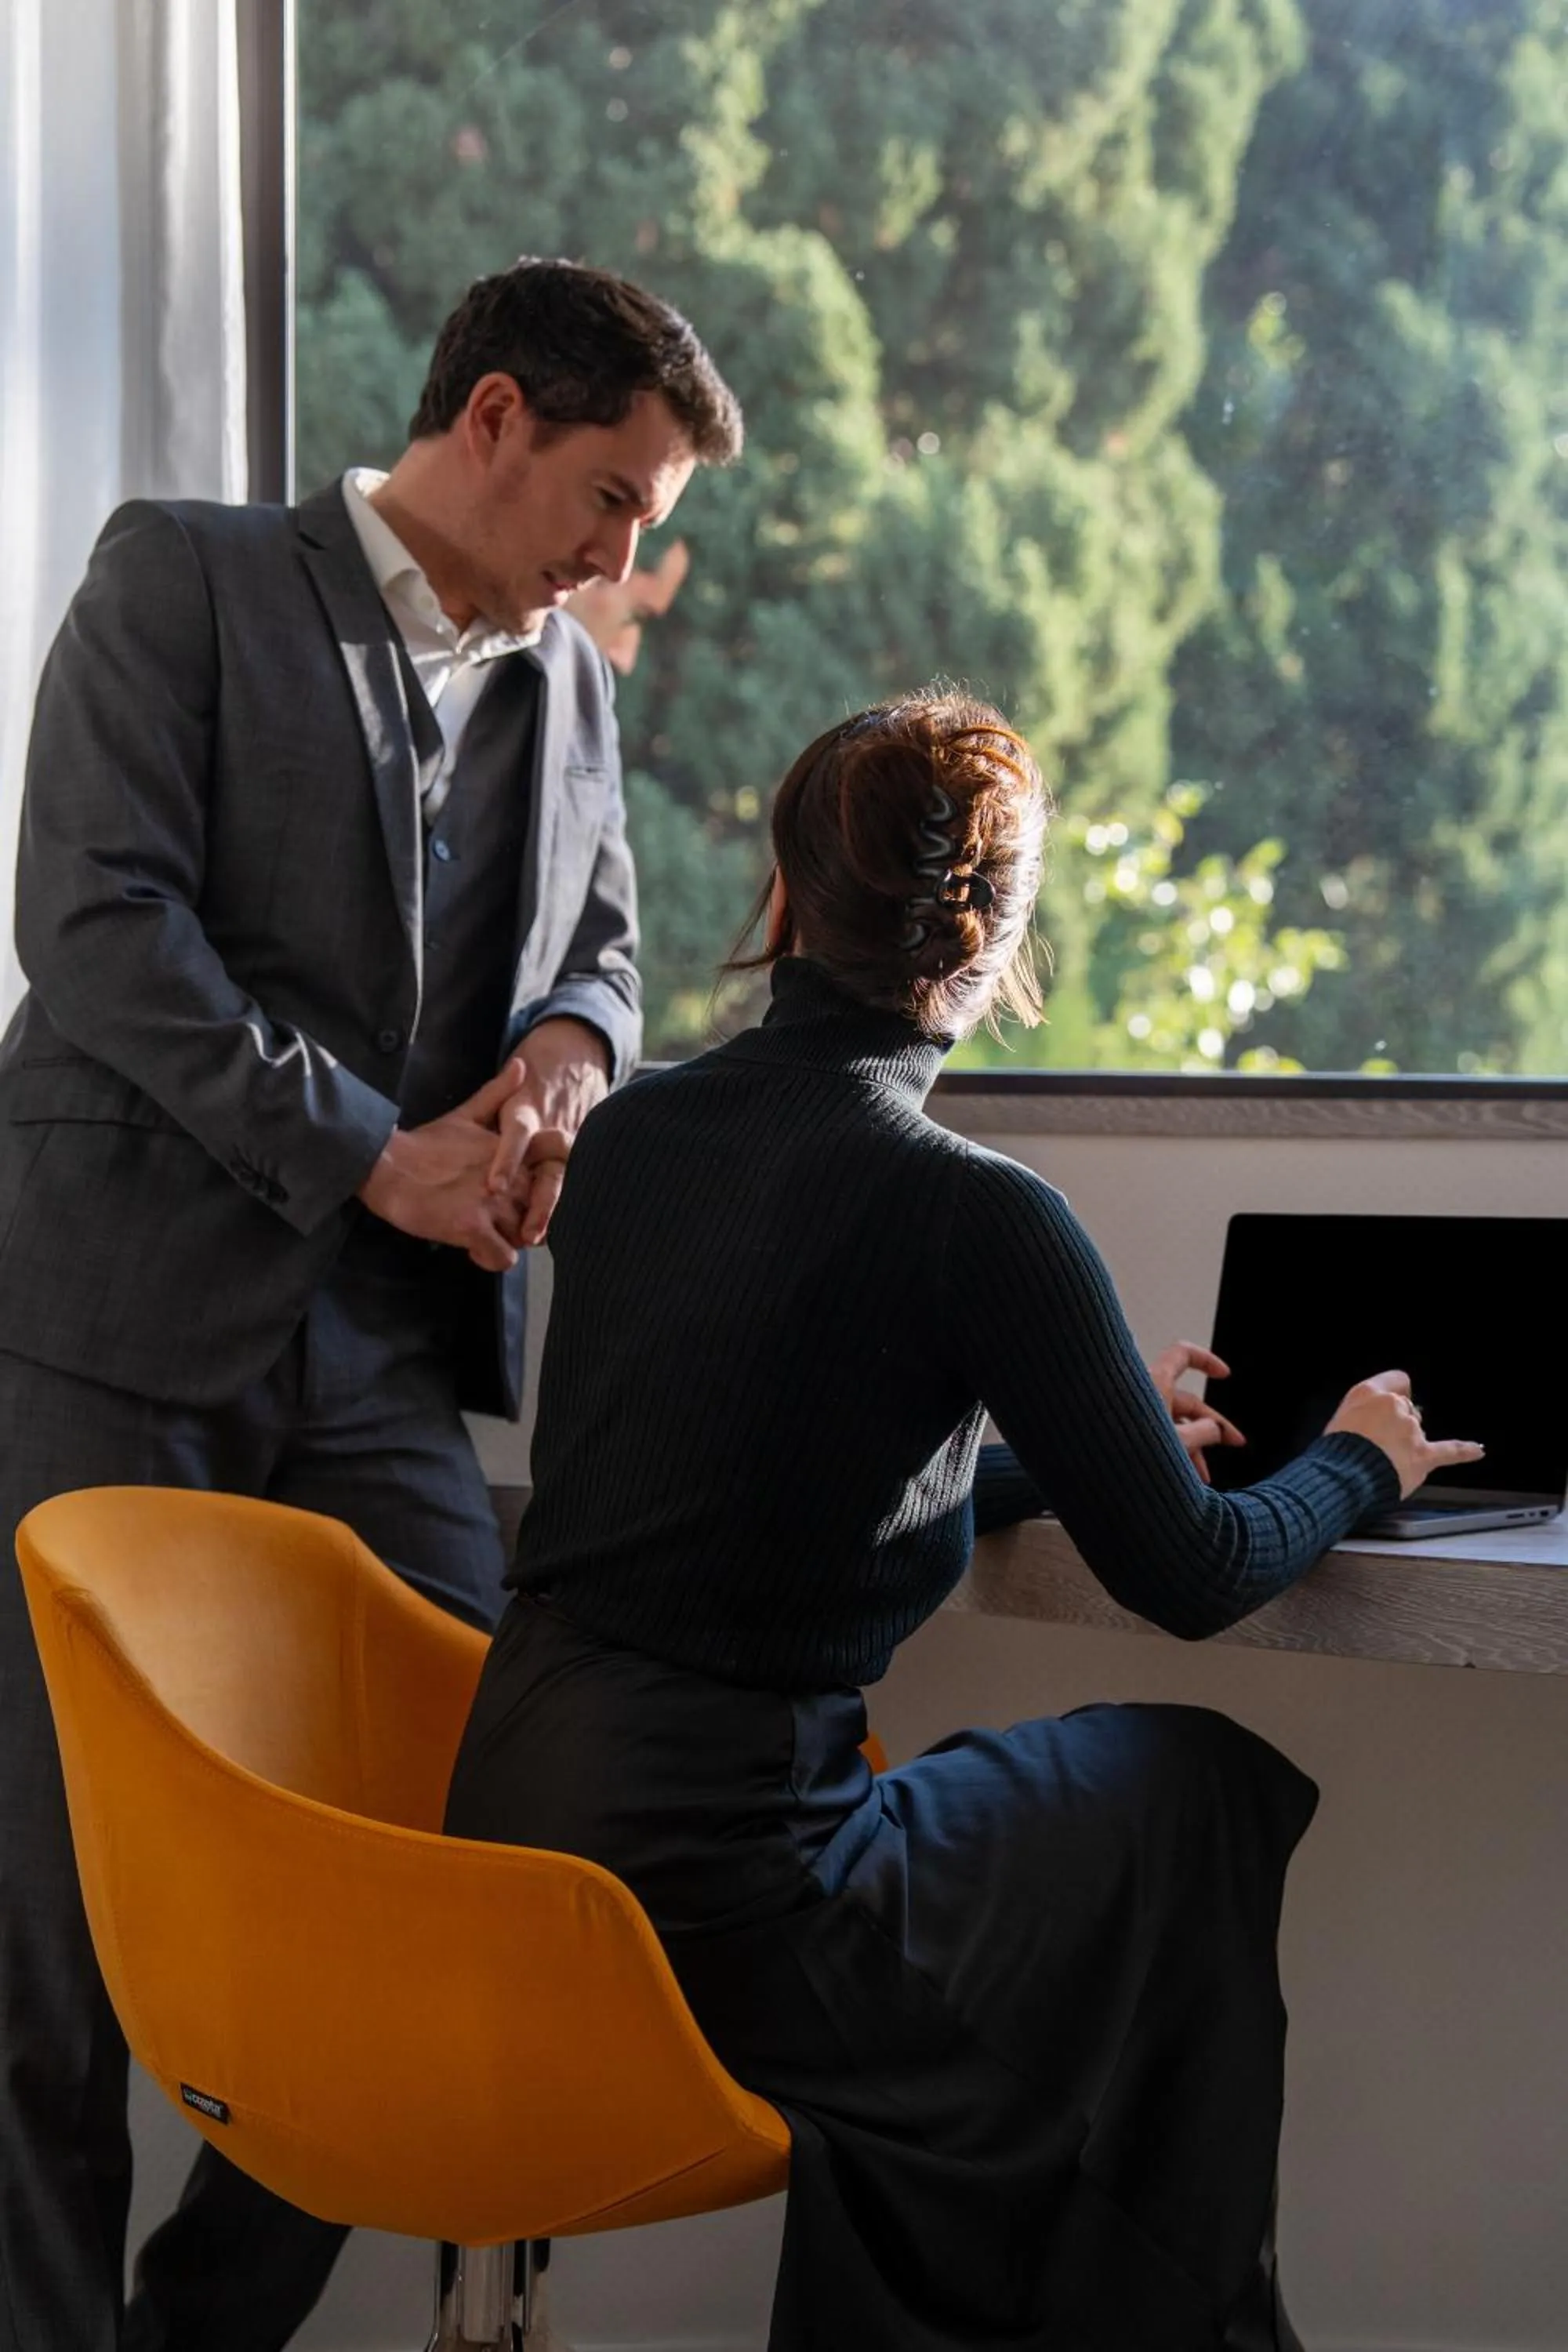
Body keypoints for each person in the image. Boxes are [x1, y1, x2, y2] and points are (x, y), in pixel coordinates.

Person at [445, 688, 1482, 2352]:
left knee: (1024, 1930)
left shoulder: (633, 1142)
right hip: (726, 1894)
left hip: (512, 1837)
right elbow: (1199, 1579)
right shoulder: (976, 1212)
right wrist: (1364, 1457)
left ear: (781, 901)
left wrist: (1095, 1434)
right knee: (1189, 1784)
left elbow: (771, 1487)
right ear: (995, 944)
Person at [0, 259, 742, 2352]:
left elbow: (602, 946)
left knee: (483, 1831)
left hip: (385, 1362)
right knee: (42, 1946)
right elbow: (94, 919)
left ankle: (195, 2332)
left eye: (651, 525)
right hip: (108, 1326)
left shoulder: (574, 683)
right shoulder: (189, 578)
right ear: (492, 417)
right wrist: (368, 1149)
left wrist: (569, 1072)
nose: (626, 558)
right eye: (611, 498)